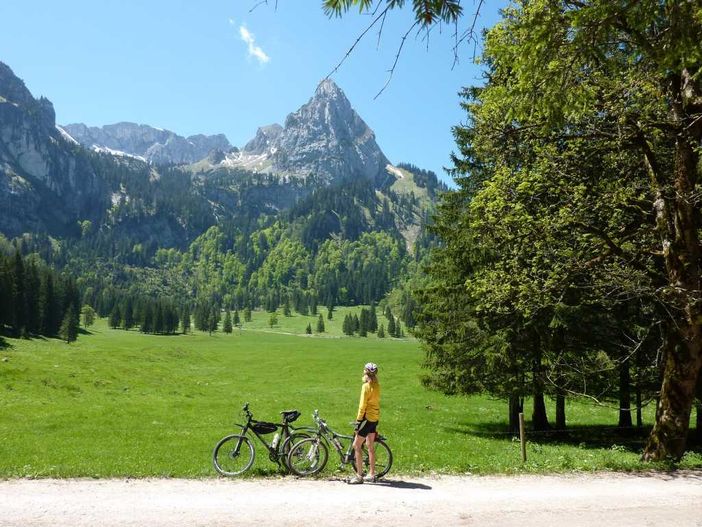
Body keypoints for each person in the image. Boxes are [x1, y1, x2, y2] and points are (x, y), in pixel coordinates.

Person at [348, 362, 380, 484]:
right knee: (370, 445)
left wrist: (358, 421)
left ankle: (359, 475)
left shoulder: (366, 387)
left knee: (356, 445)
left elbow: (362, 406)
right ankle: (372, 474)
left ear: (366, 373)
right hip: (375, 418)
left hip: (366, 419)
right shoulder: (377, 385)